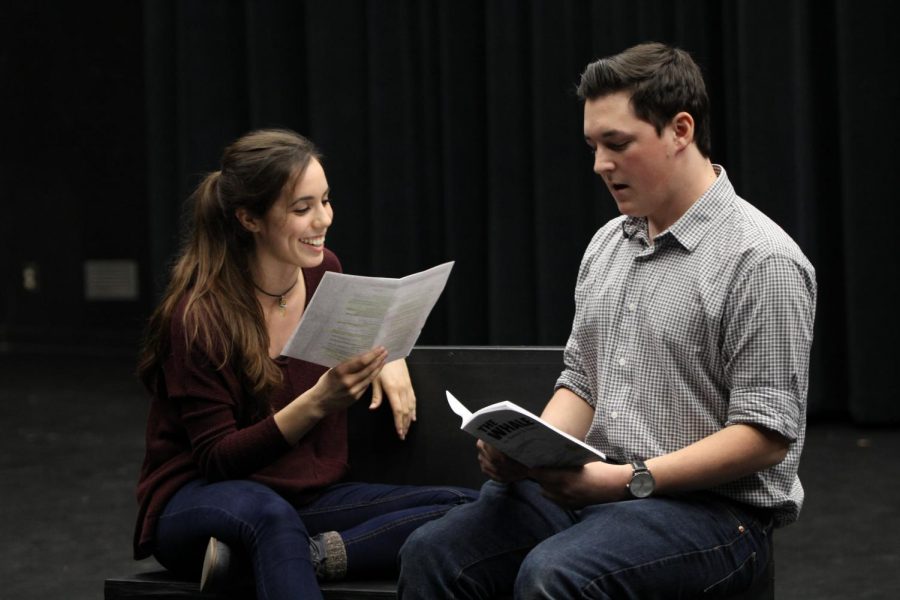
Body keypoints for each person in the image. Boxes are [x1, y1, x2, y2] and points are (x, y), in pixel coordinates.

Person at [398, 42, 817, 599]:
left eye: (617, 144)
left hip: (715, 515)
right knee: (433, 553)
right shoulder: (608, 244)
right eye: (593, 146)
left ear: (680, 130)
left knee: (556, 576)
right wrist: (528, 450)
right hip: (601, 489)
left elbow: (766, 437)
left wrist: (626, 480)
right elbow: (583, 380)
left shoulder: (761, 259)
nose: (600, 164)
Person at [133, 128, 478, 600]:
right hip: (199, 499)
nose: (323, 220)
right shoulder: (199, 316)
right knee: (267, 516)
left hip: (302, 499)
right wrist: (317, 402)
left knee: (466, 507)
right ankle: (278, 550)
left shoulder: (324, 273)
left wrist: (388, 352)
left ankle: (304, 555)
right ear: (250, 219)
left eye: (326, 201)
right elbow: (217, 460)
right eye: (302, 209)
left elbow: (362, 336)